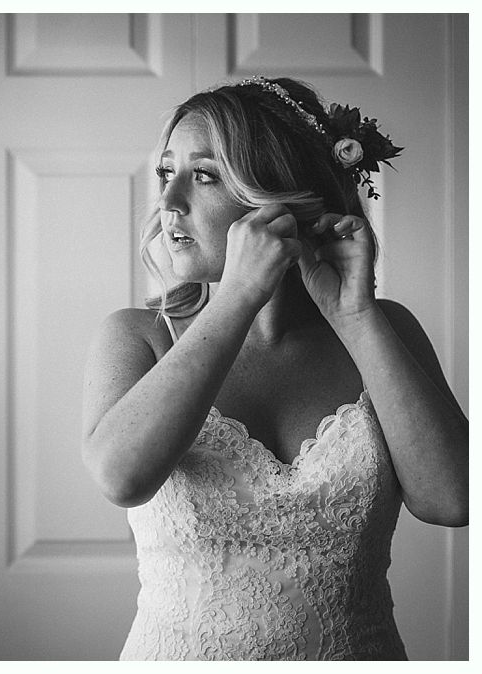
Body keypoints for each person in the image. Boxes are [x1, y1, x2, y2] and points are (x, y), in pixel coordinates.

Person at [81, 76, 467, 660]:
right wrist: (237, 296)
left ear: (279, 197)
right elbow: (121, 478)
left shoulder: (385, 330)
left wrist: (357, 315)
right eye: (167, 172)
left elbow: (453, 500)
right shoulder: (137, 336)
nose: (168, 202)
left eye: (204, 175)